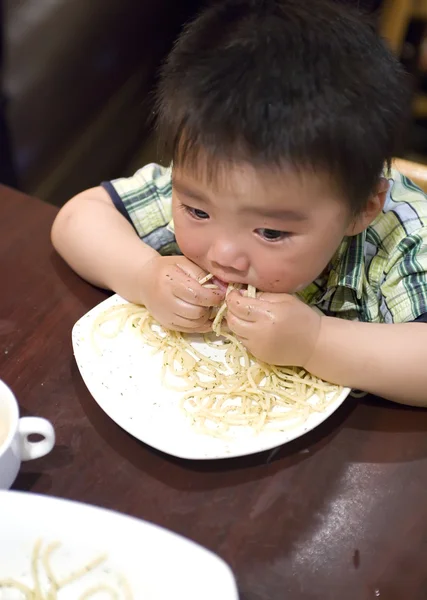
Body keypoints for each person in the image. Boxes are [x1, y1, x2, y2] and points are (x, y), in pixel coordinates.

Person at [51, 0, 427, 405]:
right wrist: (143, 275)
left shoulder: (401, 233)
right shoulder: (213, 181)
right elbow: (76, 218)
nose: (224, 253)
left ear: (362, 209)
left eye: (270, 232)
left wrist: (315, 342)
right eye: (197, 212)